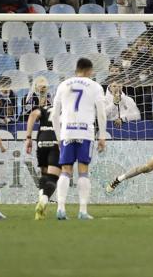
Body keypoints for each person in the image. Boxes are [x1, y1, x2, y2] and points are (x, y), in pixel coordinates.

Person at [51, 58, 106, 220]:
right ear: (89, 70)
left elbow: (54, 114)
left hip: (67, 132)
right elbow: (101, 113)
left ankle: (60, 209)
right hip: (85, 132)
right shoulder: (95, 86)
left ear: (77, 69)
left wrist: (58, 137)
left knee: (65, 170)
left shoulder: (63, 85)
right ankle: (82, 211)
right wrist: (102, 135)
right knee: (83, 171)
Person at [25, 80, 59, 220]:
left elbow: (33, 115)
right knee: (53, 177)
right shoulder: (63, 110)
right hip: (55, 140)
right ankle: (44, 201)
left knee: (44, 174)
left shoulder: (44, 110)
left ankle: (41, 199)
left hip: (41, 140)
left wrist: (28, 138)